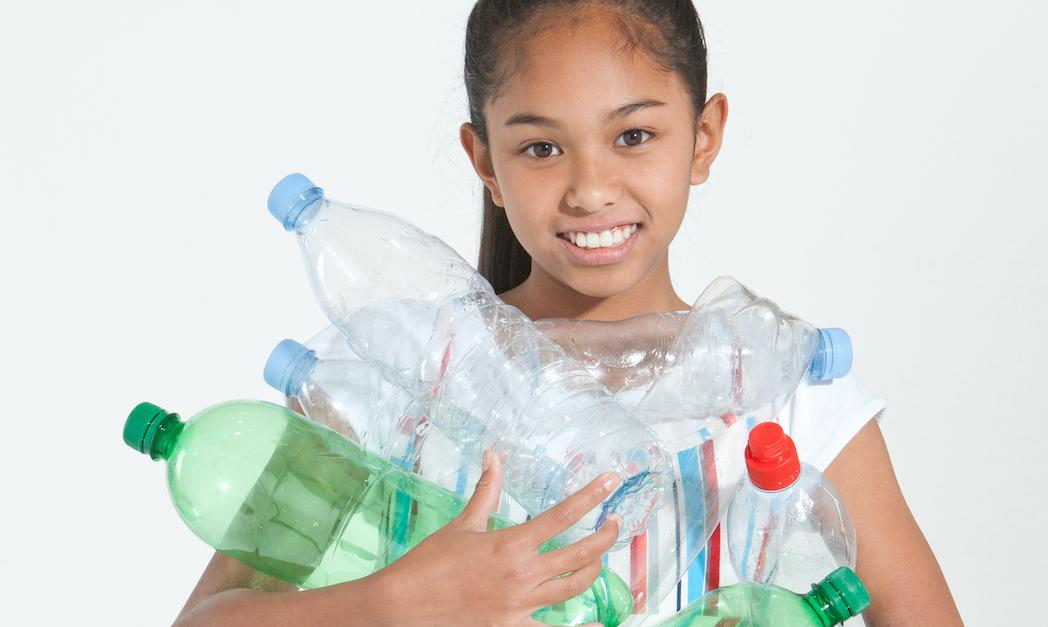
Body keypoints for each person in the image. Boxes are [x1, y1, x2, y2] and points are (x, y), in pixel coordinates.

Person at [179, 1, 962, 624]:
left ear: (704, 136)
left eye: (633, 135)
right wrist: (401, 603)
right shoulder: (389, 367)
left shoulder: (792, 396)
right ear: (484, 159)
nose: (590, 188)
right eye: (541, 148)